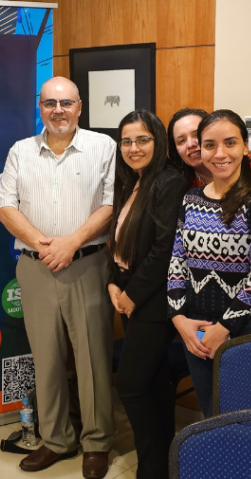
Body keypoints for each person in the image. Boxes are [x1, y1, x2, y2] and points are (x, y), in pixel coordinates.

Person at [0, 76, 116, 478]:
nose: (58, 110)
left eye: (66, 103)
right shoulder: (20, 151)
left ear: (80, 107)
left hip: (87, 263)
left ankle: (97, 442)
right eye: (50, 103)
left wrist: (71, 243)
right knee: (45, 357)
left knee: (93, 356)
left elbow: (110, 205)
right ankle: (57, 438)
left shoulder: (104, 147)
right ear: (40, 106)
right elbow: (5, 207)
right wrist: (44, 244)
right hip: (35, 267)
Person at [167, 110, 251, 418]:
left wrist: (224, 327)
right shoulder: (191, 199)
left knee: (243, 417)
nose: (220, 153)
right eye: (210, 145)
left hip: (243, 328)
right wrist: (179, 318)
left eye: (230, 143)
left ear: (246, 147)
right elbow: (177, 262)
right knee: (210, 413)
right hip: (196, 327)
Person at [108, 111, 189, 479]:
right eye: (126, 140)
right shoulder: (130, 182)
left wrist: (133, 295)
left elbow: (165, 248)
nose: (133, 147)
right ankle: (162, 465)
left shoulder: (169, 181)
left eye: (142, 140)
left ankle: (152, 469)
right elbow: (118, 239)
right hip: (128, 293)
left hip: (153, 301)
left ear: (158, 142)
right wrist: (113, 281)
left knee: (131, 385)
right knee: (155, 384)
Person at [166, 108, 211, 188]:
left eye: (197, 135)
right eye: (182, 141)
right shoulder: (179, 186)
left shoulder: (236, 174)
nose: (190, 144)